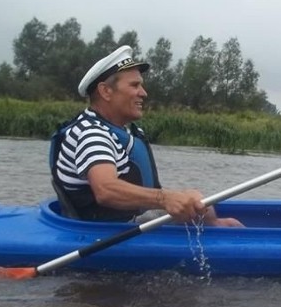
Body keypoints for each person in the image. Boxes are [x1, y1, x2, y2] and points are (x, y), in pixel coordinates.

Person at [50, 45, 242, 226]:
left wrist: (211, 222)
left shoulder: (125, 130)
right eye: (135, 85)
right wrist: (165, 198)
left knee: (195, 198)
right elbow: (106, 190)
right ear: (106, 91)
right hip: (104, 235)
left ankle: (215, 227)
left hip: (130, 223)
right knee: (192, 197)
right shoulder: (92, 134)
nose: (144, 93)